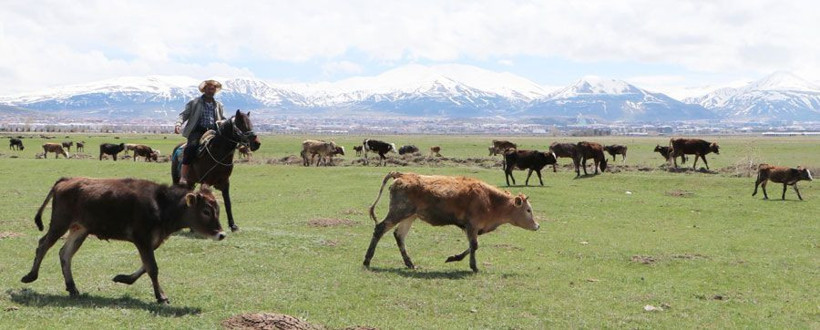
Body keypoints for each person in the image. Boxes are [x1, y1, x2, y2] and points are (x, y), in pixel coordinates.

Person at [175, 79, 226, 185]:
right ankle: (183, 176)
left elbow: (222, 117)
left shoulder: (218, 105)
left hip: (213, 131)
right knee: (191, 148)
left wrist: (223, 122)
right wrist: (178, 124)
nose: (211, 91)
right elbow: (184, 114)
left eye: (213, 89)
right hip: (198, 130)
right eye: (208, 89)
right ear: (204, 90)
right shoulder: (195, 102)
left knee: (224, 148)